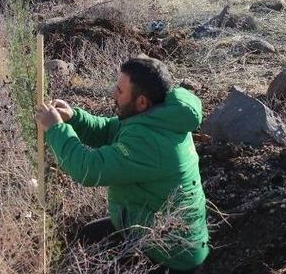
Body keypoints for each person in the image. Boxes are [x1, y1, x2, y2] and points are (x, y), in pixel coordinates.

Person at [34, 57, 209, 273]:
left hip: (168, 256)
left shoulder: (150, 142)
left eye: (120, 90)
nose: (113, 94)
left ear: (142, 102)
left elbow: (89, 169)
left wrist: (56, 129)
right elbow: (111, 129)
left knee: (93, 263)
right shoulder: (157, 116)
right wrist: (74, 118)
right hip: (149, 229)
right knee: (87, 238)